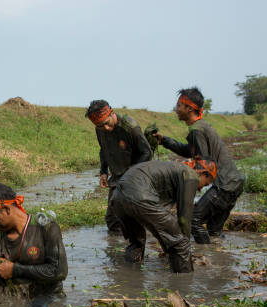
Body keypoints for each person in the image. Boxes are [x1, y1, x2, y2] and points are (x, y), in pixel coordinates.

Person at [154, 87, 244, 244]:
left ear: (189, 108)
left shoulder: (197, 130)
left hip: (224, 186)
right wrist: (165, 141)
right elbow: (190, 151)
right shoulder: (200, 127)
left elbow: (203, 164)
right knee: (214, 231)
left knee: (194, 220)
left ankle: (204, 256)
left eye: (179, 105)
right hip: (234, 183)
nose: (176, 109)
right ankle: (218, 258)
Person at [111, 159, 217, 273]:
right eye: (205, 184)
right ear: (202, 173)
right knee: (181, 242)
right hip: (139, 195)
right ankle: (184, 283)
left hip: (117, 198)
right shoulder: (191, 175)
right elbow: (184, 220)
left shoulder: (173, 169)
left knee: (137, 242)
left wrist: (168, 248)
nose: (200, 189)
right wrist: (183, 245)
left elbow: (160, 226)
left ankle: (128, 275)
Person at [0, 183, 68, 304]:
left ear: (6, 209)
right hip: (17, 301)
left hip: (50, 299)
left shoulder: (46, 228)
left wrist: (15, 270)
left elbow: (59, 271)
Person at [85, 100, 152, 252]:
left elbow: (147, 152)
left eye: (107, 123)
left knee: (134, 215)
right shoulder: (100, 129)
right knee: (112, 219)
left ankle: (137, 246)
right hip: (116, 177)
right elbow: (103, 150)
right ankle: (118, 248)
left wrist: (132, 176)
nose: (105, 128)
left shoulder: (130, 127)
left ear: (112, 113)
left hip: (135, 176)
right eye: (100, 126)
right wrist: (103, 172)